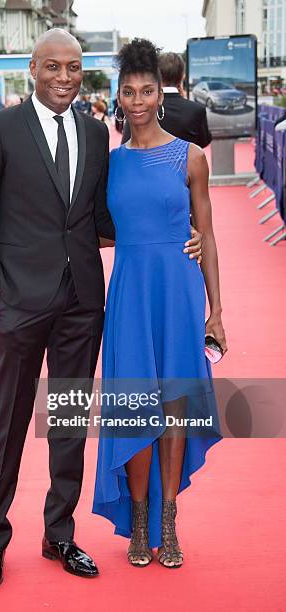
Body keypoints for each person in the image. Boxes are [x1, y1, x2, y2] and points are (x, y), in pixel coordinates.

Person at [0, 29, 202, 589]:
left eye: (73, 67)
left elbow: (103, 219)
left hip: (80, 307)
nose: (65, 77)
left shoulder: (97, 135)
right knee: (9, 423)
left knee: (67, 420)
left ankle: (59, 533)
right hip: (19, 304)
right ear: (33, 68)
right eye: (54, 67)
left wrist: (175, 235)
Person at [93, 39, 226, 569]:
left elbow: (209, 236)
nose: (139, 99)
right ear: (119, 96)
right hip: (129, 294)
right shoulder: (109, 164)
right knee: (133, 408)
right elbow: (97, 229)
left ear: (160, 93)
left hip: (178, 293)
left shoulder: (191, 158)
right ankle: (140, 517)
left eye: (147, 90)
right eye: (129, 91)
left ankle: (168, 519)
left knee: (173, 408)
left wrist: (217, 310)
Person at [121, 51, 212, 148]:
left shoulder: (140, 108)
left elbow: (126, 145)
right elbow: (203, 142)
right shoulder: (196, 110)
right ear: (182, 76)